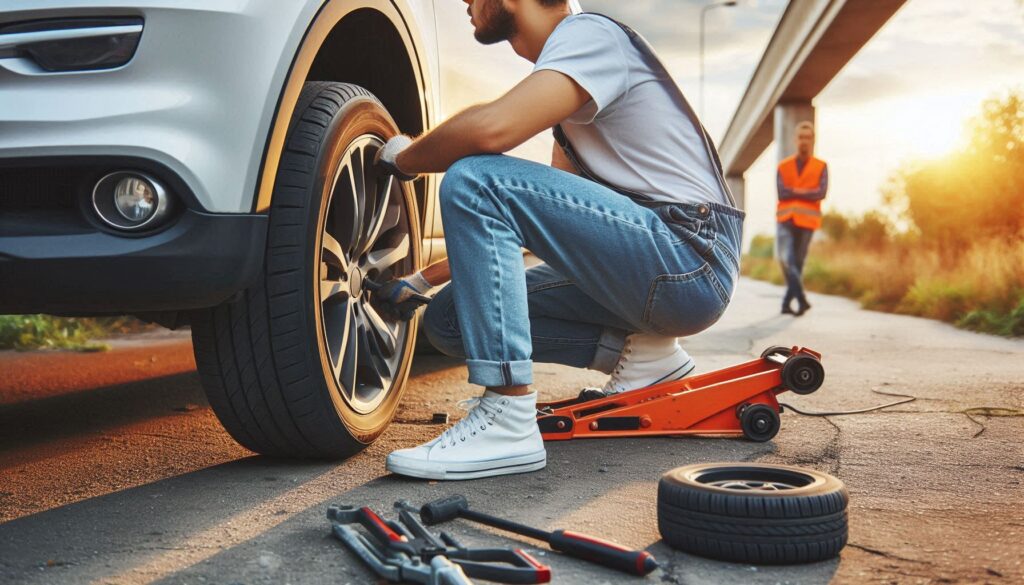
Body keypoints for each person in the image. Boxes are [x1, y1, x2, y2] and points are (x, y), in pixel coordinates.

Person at [372, 0, 744, 480]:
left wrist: (404, 157)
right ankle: (647, 355)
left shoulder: (590, 34)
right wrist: (424, 279)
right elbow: (534, 228)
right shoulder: (573, 112)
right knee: (449, 319)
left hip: (688, 257)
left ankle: (506, 421)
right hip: (661, 269)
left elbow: (491, 130)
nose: (463, 1)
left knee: (476, 177)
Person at [775, 121, 828, 316]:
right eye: (801, 137)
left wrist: (795, 192)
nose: (804, 141)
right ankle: (802, 299)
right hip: (785, 219)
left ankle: (786, 304)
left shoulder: (821, 166)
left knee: (797, 263)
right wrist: (806, 192)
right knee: (786, 260)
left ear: (813, 140)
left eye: (808, 137)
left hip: (807, 222)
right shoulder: (783, 166)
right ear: (795, 139)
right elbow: (782, 193)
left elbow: (821, 193)